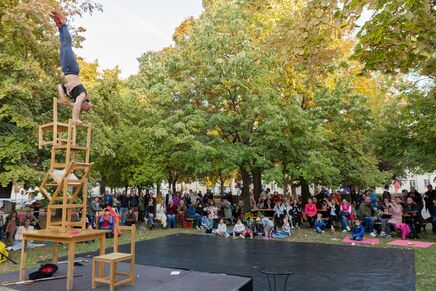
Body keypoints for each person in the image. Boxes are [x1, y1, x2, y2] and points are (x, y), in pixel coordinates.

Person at [49, 9, 91, 125]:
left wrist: (62, 98)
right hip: (72, 69)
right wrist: (75, 118)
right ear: (85, 101)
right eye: (86, 105)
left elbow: (60, 86)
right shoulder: (82, 94)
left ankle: (59, 25)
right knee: (67, 46)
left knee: (63, 46)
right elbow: (77, 104)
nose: (84, 105)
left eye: (84, 108)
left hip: (65, 69)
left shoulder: (71, 95)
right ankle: (64, 23)